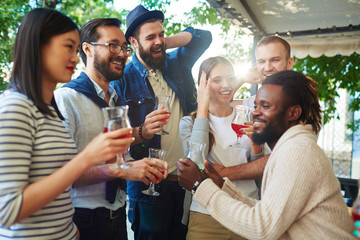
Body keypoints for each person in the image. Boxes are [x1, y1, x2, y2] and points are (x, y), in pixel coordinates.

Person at [0, 8, 135, 239]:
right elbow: (7, 211)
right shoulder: (15, 107)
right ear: (39, 46)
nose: (75, 58)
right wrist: (88, 156)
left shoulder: (49, 111)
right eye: (68, 47)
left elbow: (60, 183)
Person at [177, 70, 356, 239]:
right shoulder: (292, 147)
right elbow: (268, 214)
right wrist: (223, 187)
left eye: (266, 106)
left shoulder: (298, 151)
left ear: (293, 113)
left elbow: (263, 229)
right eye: (256, 105)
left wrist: (200, 186)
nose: (255, 112)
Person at [54, 18, 168, 240]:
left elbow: (119, 157)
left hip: (118, 217)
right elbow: (60, 174)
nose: (123, 54)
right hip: (82, 221)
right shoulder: (65, 99)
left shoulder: (116, 101)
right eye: (113, 45)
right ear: (87, 49)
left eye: (124, 47)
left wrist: (140, 165)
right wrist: (125, 170)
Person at [111, 4, 212, 240]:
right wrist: (142, 130)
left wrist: (162, 43)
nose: (158, 41)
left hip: (184, 182)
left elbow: (203, 37)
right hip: (148, 187)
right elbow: (115, 136)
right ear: (133, 43)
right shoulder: (121, 80)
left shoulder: (176, 63)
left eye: (161, 34)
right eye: (150, 37)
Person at [179, 56, 263, 239]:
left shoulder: (248, 117)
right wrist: (203, 106)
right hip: (207, 213)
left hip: (247, 211)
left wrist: (256, 146)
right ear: (203, 84)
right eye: (217, 80)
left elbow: (259, 169)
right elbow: (196, 165)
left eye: (231, 78)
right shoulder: (188, 123)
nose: (227, 85)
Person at [213, 35, 294, 180]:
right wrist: (242, 79)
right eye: (261, 61)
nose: (268, 67)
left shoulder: (299, 103)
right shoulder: (252, 103)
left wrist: (223, 173)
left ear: (289, 63)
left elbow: (284, 157)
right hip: (258, 195)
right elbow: (220, 103)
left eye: (275, 60)